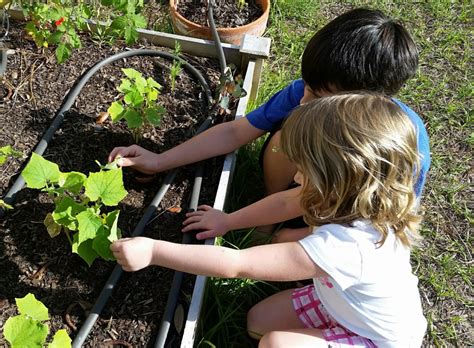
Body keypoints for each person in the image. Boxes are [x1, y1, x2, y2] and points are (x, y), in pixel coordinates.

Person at [111, 94, 427, 347]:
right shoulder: (357, 201)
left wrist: (153, 251)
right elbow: (285, 202)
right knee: (257, 321)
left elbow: (236, 264)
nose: (297, 176)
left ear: (337, 182)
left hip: (378, 340)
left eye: (305, 169)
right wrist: (227, 221)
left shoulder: (346, 248)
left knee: (277, 344)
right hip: (344, 305)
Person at [108, 8, 430, 240]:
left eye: (317, 95)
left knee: (287, 245)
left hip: (351, 214)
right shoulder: (304, 92)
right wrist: (159, 160)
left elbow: (385, 219)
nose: (302, 99)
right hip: (309, 190)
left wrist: (311, 231)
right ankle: (268, 218)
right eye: (307, 85)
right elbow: (236, 132)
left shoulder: (399, 146)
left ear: (363, 105)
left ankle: (285, 228)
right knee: (283, 137)